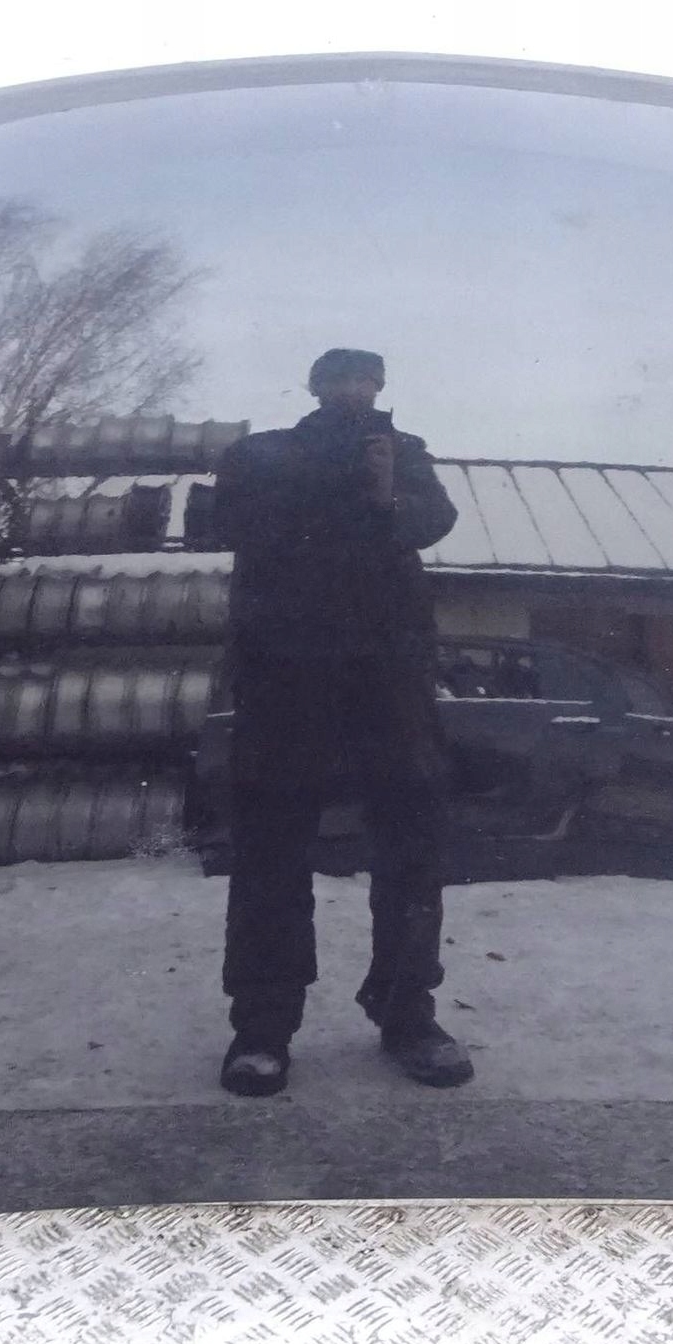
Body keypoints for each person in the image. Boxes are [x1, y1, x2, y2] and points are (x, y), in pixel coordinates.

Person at [208, 347, 470, 1096]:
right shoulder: (262, 453)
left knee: (413, 846)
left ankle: (408, 1014)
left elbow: (435, 520)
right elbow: (224, 521)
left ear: (380, 387)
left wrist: (388, 495)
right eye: (339, 380)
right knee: (270, 850)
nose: (353, 391)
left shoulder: (404, 454)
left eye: (365, 380)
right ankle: (262, 1027)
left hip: (388, 676)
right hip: (285, 674)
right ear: (315, 386)